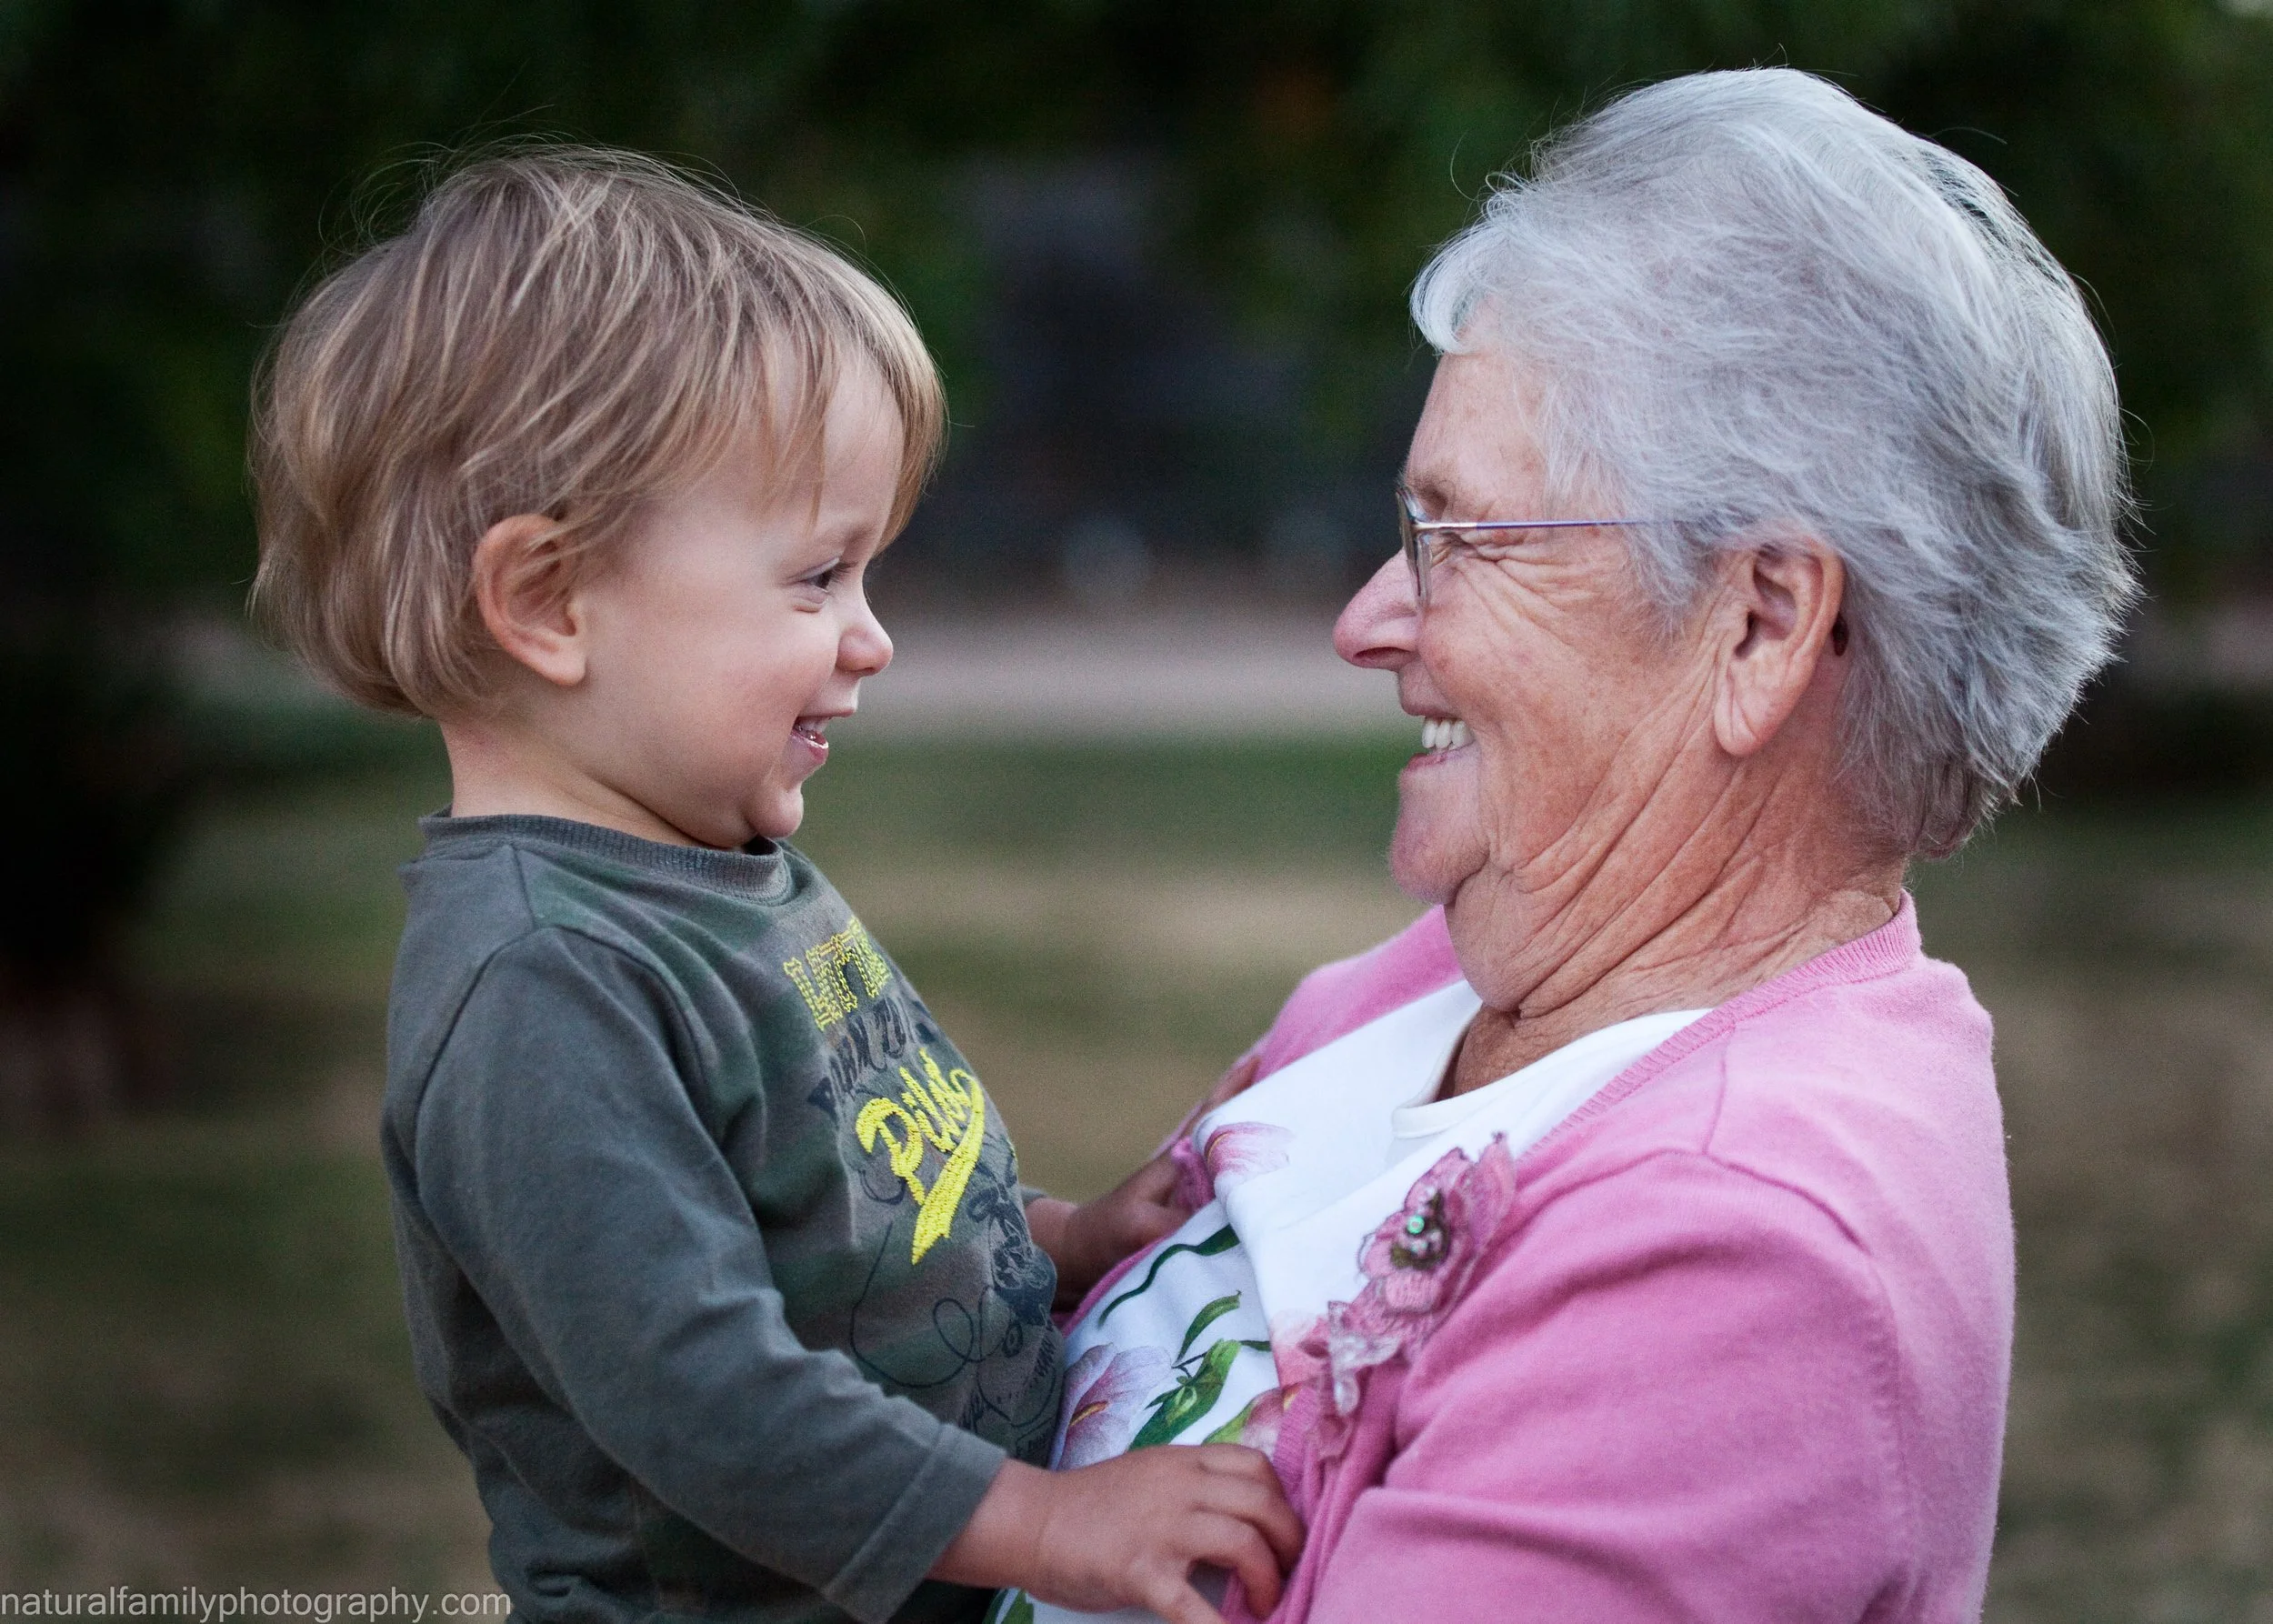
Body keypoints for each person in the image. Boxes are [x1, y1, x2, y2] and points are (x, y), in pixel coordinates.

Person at [1013, 69, 2137, 1624]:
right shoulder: (1450, 974)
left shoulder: (1742, 1261)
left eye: (1455, 537)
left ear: (1758, 627)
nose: (1365, 621)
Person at [249, 149, 1298, 1624]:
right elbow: (706, 1395)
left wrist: (1063, 1238)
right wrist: (1047, 1526)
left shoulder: (719, 871)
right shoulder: (543, 984)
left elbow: (855, 1211)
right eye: (818, 578)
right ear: (548, 601)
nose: (869, 637)